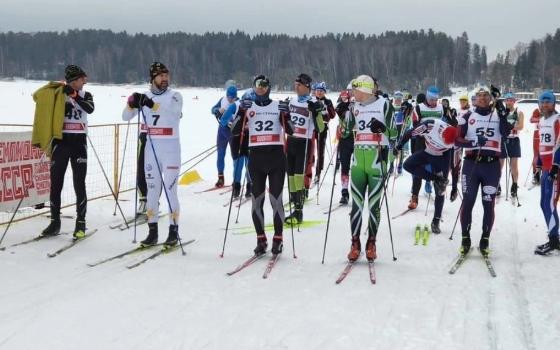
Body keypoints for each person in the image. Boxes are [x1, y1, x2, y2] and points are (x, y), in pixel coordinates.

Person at [231, 75, 294, 255]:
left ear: (269, 88)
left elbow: (291, 130)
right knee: (257, 201)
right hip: (256, 159)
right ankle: (261, 239)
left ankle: (278, 239)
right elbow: (234, 131)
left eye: (264, 85)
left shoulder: (277, 106)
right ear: (253, 87)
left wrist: (287, 113)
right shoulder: (248, 107)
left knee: (276, 200)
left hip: (276, 158)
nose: (261, 88)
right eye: (258, 85)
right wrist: (241, 112)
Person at [122, 62, 183, 247]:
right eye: (161, 76)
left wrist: (151, 104)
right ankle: (152, 231)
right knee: (151, 192)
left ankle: (173, 231)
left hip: (171, 149)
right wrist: (132, 104)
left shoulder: (175, 96)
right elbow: (125, 117)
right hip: (151, 148)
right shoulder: (145, 96)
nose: (165, 79)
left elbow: (173, 115)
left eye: (166, 75)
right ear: (153, 78)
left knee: (171, 191)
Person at [454, 85, 512, 256]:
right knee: (468, 201)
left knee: (488, 204)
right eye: (479, 95)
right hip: (471, 165)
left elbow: (506, 133)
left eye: (486, 95)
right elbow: (457, 140)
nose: (483, 98)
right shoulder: (467, 116)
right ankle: (465, 238)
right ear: (475, 99)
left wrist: (502, 116)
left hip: (491, 166)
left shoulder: (498, 115)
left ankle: (485, 239)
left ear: (490, 98)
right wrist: (472, 143)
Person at [345, 75, 397, 262]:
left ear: (365, 90)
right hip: (358, 160)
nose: (352, 93)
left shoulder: (384, 104)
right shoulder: (354, 107)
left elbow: (394, 133)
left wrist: (382, 128)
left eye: (355, 90)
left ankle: (371, 243)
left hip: (377, 159)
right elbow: (344, 131)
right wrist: (344, 114)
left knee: (374, 205)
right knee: (356, 205)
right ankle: (355, 243)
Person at [41, 65, 94, 239]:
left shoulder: (86, 95)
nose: (83, 82)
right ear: (73, 81)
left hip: (79, 142)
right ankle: (55, 221)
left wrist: (75, 95)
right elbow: (45, 105)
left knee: (79, 183)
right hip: (61, 142)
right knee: (56, 183)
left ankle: (81, 223)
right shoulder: (60, 94)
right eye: (80, 79)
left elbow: (89, 108)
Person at [395, 112, 458, 234]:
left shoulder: (455, 139)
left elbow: (455, 165)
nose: (447, 144)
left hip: (442, 157)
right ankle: (435, 178)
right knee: (407, 165)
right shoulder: (430, 126)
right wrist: (399, 146)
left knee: (440, 189)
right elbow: (409, 133)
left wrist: (454, 186)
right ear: (441, 134)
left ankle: (436, 220)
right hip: (427, 151)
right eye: (445, 141)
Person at [284, 73, 325, 224]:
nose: (296, 87)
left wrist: (315, 112)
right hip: (291, 141)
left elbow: (320, 128)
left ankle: (299, 211)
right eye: (295, 85)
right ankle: (295, 204)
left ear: (307, 87)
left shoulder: (314, 102)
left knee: (299, 176)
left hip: (304, 142)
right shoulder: (292, 100)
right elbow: (284, 120)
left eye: (299, 85)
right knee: (290, 176)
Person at [407, 86, 444, 209]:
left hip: (436, 144)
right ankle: (414, 196)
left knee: (437, 170)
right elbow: (415, 126)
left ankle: (438, 196)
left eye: (435, 99)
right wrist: (426, 134)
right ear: (427, 97)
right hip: (421, 142)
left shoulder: (441, 108)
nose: (433, 101)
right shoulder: (418, 108)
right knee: (418, 168)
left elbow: (443, 123)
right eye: (431, 99)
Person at [534, 91, 560, 255]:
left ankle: (554, 241)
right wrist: (537, 163)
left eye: (548, 102)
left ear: (553, 103)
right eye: (542, 102)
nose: (544, 105)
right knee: (544, 203)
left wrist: (556, 166)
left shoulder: (558, 120)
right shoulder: (542, 120)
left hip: (554, 169)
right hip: (545, 167)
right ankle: (554, 236)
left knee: (549, 204)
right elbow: (543, 143)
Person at [211, 85, 238, 188]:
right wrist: (217, 110)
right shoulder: (222, 100)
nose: (230, 99)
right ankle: (220, 178)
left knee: (235, 157)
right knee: (220, 154)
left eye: (232, 97)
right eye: (229, 97)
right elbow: (212, 109)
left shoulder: (238, 104)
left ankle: (236, 180)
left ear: (236, 96)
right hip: (222, 132)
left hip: (233, 134)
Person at [498, 93, 524, 198]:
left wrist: (510, 127)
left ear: (514, 101)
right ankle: (497, 184)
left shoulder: (519, 112)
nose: (509, 102)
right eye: (507, 100)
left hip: (514, 140)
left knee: (514, 165)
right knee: (499, 165)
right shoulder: (501, 112)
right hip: (502, 140)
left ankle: (514, 185)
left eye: (511, 100)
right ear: (505, 101)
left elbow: (521, 126)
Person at [335, 84, 355, 205]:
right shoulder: (343, 98)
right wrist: (346, 104)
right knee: (345, 165)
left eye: (354, 90)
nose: (352, 93)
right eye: (350, 90)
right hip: (345, 138)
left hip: (358, 137)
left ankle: (357, 192)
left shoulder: (361, 101)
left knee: (357, 167)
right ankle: (344, 192)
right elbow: (338, 110)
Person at [312, 82, 336, 184]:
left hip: (322, 129)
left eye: (321, 91)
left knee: (320, 152)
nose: (319, 93)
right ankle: (308, 170)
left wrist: (327, 110)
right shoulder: (312, 100)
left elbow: (333, 115)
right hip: (311, 129)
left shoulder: (328, 101)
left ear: (324, 92)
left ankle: (318, 173)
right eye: (317, 91)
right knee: (310, 151)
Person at [450, 94, 471, 202]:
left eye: (464, 101)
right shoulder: (457, 110)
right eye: (461, 101)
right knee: (454, 161)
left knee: (461, 161)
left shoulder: (470, 111)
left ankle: (460, 178)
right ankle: (454, 180)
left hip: (465, 139)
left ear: (467, 102)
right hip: (457, 139)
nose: (462, 102)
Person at [530, 107, 542, 185]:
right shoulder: (537, 110)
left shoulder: (552, 110)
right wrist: (542, 118)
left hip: (548, 133)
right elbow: (531, 120)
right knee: (537, 155)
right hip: (537, 133)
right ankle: (535, 174)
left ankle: (546, 173)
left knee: (547, 154)